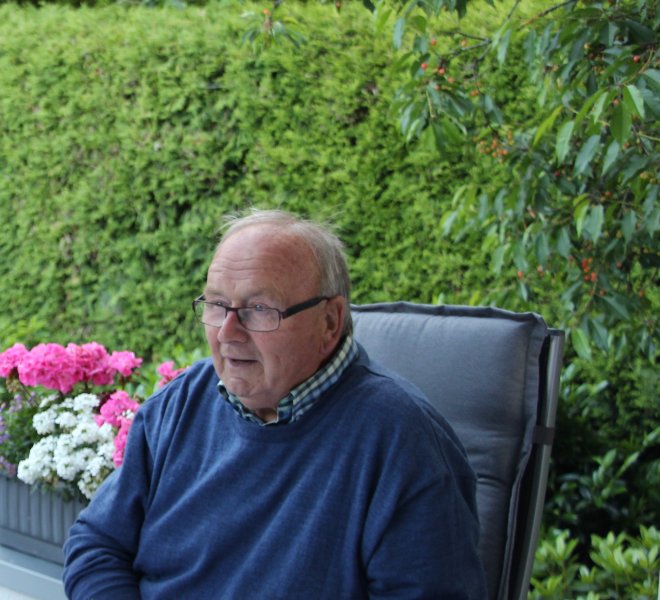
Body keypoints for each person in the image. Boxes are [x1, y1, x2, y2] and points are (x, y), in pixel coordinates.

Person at [63, 209, 487, 599]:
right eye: (217, 305)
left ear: (329, 321)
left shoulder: (404, 443)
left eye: (259, 309)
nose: (227, 333)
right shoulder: (181, 403)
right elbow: (98, 543)